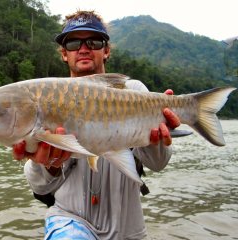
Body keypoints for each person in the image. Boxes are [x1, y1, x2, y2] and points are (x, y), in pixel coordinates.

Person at [13, 10, 180, 240]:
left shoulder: (135, 92)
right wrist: (49, 164)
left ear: (106, 50)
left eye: (93, 41)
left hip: (128, 230)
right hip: (69, 224)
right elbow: (40, 188)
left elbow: (159, 163)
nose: (83, 48)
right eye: (73, 43)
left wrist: (155, 140)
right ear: (64, 54)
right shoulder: (45, 98)